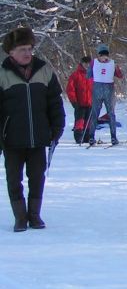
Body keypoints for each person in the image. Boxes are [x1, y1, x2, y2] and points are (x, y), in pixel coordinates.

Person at [0, 26, 65, 232]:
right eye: (22, 49)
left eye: (29, 48)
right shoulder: (2, 74)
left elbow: (55, 101)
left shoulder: (44, 70)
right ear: (11, 52)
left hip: (38, 136)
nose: (27, 53)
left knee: (37, 177)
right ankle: (20, 217)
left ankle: (35, 215)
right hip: (11, 138)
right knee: (14, 179)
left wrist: (57, 126)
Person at [86, 43, 123, 146]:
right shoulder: (113, 63)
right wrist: (115, 68)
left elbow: (88, 75)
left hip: (97, 89)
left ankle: (91, 137)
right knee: (111, 114)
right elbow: (120, 75)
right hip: (108, 90)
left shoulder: (94, 63)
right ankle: (113, 137)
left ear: (99, 54)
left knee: (95, 114)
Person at [66, 56, 94, 143]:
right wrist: (74, 102)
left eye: (89, 64)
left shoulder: (94, 75)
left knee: (89, 122)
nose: (87, 65)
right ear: (81, 63)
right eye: (85, 63)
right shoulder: (75, 75)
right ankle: (79, 137)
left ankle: (88, 137)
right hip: (79, 104)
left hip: (90, 103)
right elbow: (70, 89)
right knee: (79, 122)